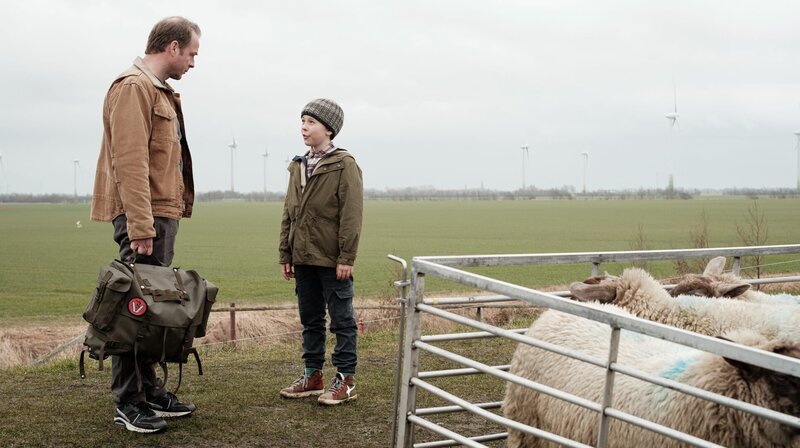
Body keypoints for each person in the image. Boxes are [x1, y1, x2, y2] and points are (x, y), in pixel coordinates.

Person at [90, 16, 201, 433]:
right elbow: (130, 161)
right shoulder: (133, 87)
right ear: (172, 47)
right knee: (133, 309)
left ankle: (149, 390)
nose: (193, 62)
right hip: (146, 216)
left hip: (159, 213)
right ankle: (129, 401)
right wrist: (140, 225)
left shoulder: (157, 90)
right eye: (191, 53)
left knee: (152, 309)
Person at [279, 98, 364, 405]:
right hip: (302, 257)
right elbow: (289, 212)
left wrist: (346, 257)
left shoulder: (344, 164)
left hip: (331, 258)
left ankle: (346, 380)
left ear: (329, 129)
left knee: (342, 320)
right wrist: (285, 254)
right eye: (302, 121)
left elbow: (351, 214)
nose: (304, 127)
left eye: (311, 122)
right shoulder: (298, 165)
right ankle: (312, 376)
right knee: (311, 320)